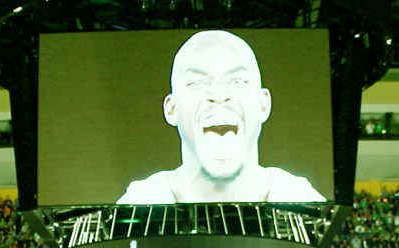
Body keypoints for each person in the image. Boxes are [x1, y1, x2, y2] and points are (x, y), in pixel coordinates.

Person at [117, 29, 325, 203]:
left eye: (237, 81)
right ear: (171, 109)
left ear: (263, 104)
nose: (218, 95)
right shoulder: (139, 204)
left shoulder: (302, 201)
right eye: (197, 83)